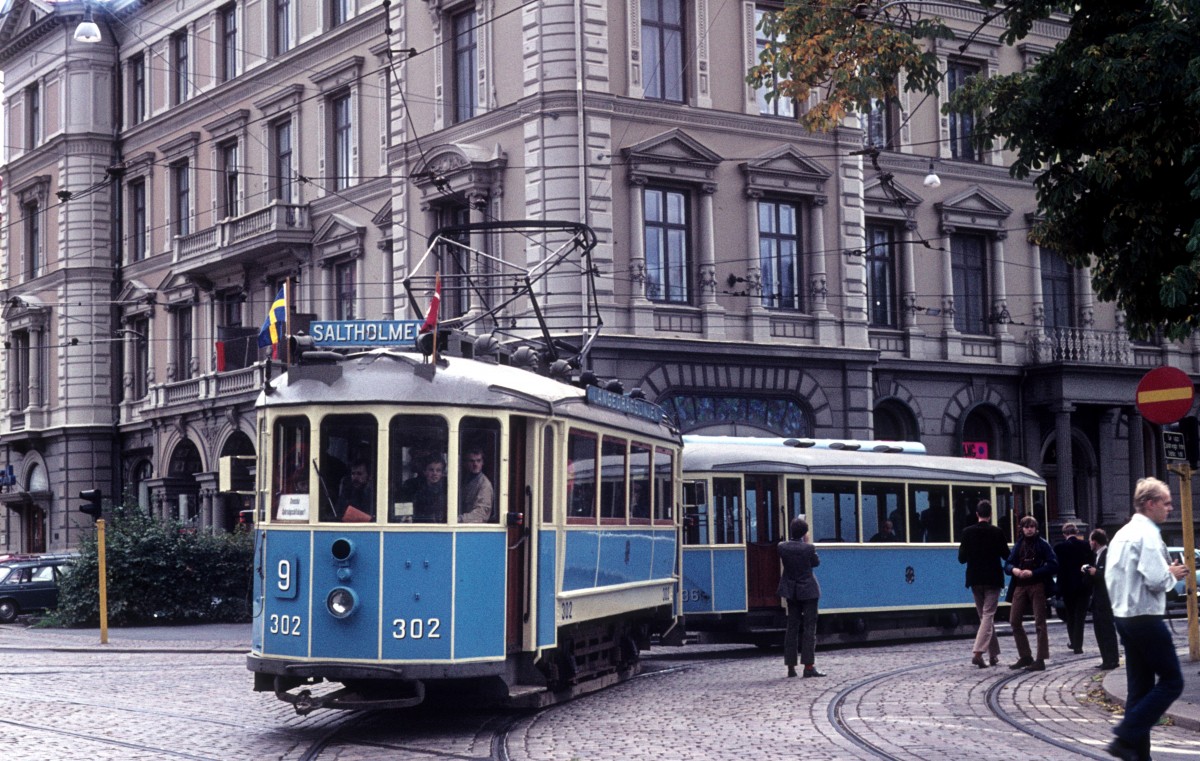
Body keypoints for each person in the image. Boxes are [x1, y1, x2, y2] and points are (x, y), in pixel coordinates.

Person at [1104, 477, 1188, 761]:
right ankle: (1125, 736)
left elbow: (1113, 577)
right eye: (1166, 503)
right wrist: (1171, 575)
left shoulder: (1122, 533)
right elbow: (1156, 579)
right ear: (1150, 504)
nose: (1170, 508)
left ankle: (1137, 755)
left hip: (1124, 617)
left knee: (1139, 689)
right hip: (1145, 617)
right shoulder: (1148, 534)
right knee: (1172, 681)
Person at [957, 500, 1009, 668]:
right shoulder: (997, 532)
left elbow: (961, 558)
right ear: (991, 514)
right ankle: (978, 653)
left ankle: (993, 655)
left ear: (977, 514)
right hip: (993, 579)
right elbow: (1006, 555)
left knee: (985, 617)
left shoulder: (967, 532)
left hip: (975, 579)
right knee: (988, 615)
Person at [1004, 515, 1058, 671]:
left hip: (1037, 585)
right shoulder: (1018, 544)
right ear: (1022, 529)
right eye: (1026, 527)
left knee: (1040, 622)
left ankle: (1040, 659)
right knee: (1014, 621)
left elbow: (1054, 565)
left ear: (1036, 528)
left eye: (1032, 527)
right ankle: (1025, 656)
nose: (1029, 529)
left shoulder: (1043, 544)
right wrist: (1014, 570)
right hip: (1020, 585)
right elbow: (1007, 564)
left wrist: (1034, 573)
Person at [777, 517, 824, 678]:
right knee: (809, 628)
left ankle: (791, 667)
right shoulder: (809, 548)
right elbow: (816, 563)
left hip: (791, 591)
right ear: (804, 533)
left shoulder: (782, 547)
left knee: (792, 627)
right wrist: (807, 542)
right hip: (809, 591)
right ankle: (808, 667)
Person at [1055, 522, 1094, 655]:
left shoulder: (1059, 548)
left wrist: (1058, 589)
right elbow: (1091, 564)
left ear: (1064, 534)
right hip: (1083, 586)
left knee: (1070, 615)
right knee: (1080, 617)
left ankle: (1073, 642)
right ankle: (1078, 645)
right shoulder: (1086, 545)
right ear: (1077, 532)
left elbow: (1059, 570)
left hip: (1067, 587)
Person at [1084, 528, 1120, 670]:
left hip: (1105, 600)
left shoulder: (1107, 554)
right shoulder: (1098, 555)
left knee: (1107, 630)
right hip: (1098, 600)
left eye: (1090, 541)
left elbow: (1111, 576)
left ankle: (1112, 660)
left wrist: (1096, 573)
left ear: (1094, 542)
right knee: (1099, 631)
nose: (1089, 543)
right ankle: (1106, 659)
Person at [402, 456, 447, 523]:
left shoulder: (447, 489)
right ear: (425, 472)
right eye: (431, 470)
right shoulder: (415, 488)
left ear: (442, 473)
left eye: (438, 470)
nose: (434, 473)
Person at [460, 446, 494, 523]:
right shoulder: (463, 480)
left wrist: (458, 519)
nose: (475, 464)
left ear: (482, 463)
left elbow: (480, 514)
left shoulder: (484, 484)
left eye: (478, 461)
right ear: (466, 463)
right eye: (471, 461)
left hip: (474, 527)